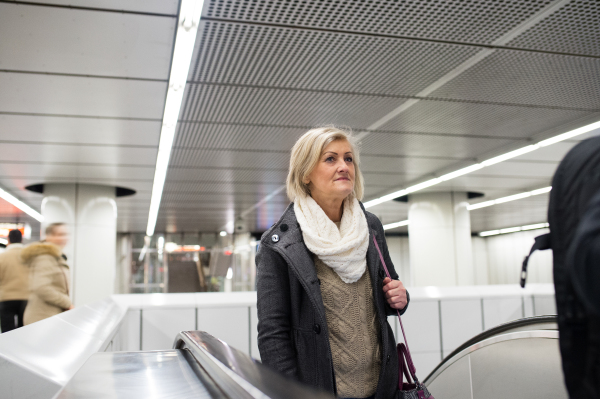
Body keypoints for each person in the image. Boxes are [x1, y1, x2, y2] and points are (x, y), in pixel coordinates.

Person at [256, 127, 409, 399]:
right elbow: (273, 335)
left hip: (382, 388)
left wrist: (400, 296)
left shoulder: (369, 226)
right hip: (321, 391)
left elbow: (388, 293)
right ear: (305, 174)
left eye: (348, 159)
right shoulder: (279, 245)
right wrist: (292, 394)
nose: (343, 166)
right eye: (331, 159)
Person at [22, 223, 73, 325]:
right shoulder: (45, 257)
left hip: (50, 316)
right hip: (41, 317)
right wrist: (67, 303)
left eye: (65, 234)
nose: (63, 238)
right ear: (48, 236)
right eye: (59, 234)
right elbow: (41, 287)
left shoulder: (56, 257)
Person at [0, 230, 29, 332]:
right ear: (21, 239)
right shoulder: (29, 257)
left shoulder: (2, 257)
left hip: (6, 298)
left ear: (8, 240)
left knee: (7, 330)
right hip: (26, 298)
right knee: (23, 329)